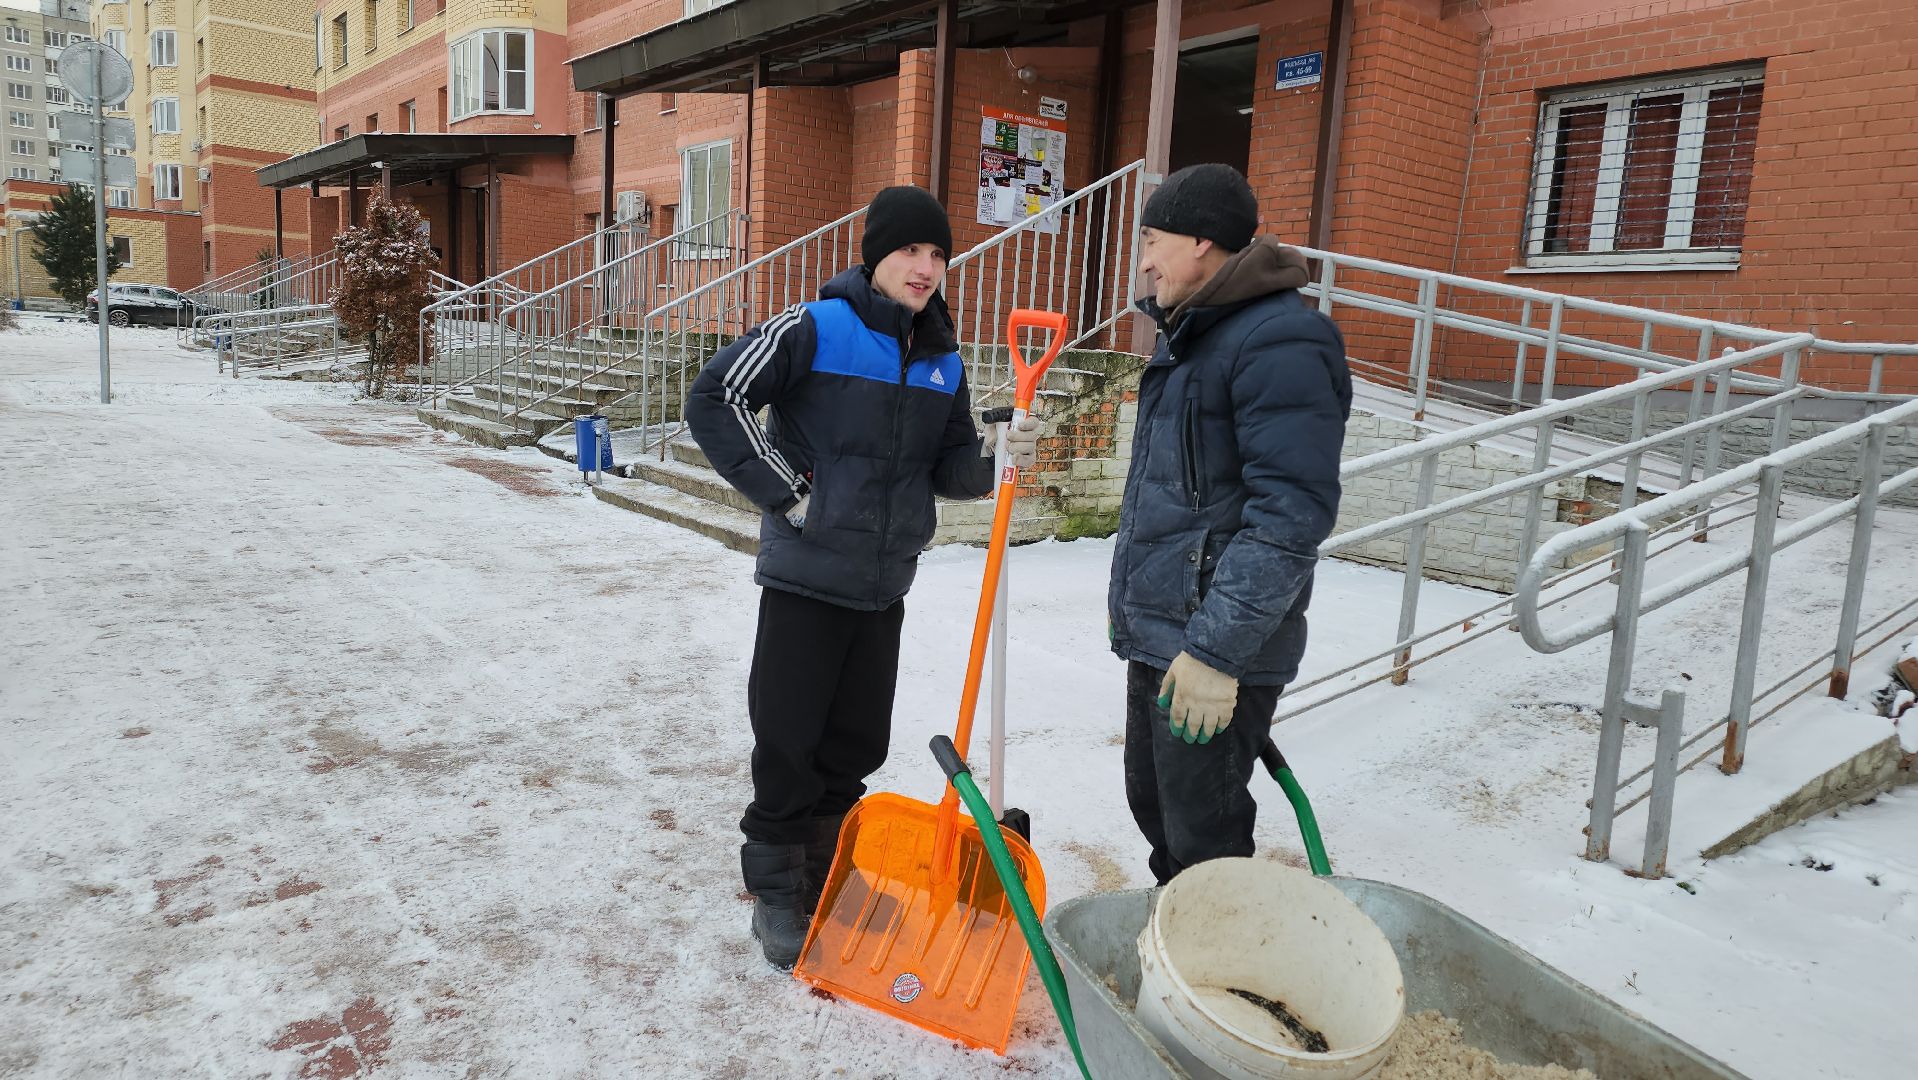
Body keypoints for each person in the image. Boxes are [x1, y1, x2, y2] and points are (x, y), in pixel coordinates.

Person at [686, 185, 1043, 970]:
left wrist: (997, 461)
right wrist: (790, 493)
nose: (926, 268)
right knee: (788, 739)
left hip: (884, 584)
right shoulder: (817, 327)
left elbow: (950, 467)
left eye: (938, 254)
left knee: (853, 744)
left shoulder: (943, 359)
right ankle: (779, 894)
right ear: (875, 255)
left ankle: (830, 878)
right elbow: (715, 396)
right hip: (807, 578)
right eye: (911, 251)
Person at [1106, 163, 1351, 885]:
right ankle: (1182, 950)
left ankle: (1220, 976)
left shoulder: (1281, 341)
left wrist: (1216, 653)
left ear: (1202, 242)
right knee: (1157, 809)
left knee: (1204, 836)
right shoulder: (1189, 336)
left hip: (1215, 641)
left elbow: (1290, 515)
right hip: (1164, 632)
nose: (1145, 259)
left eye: (1153, 240)